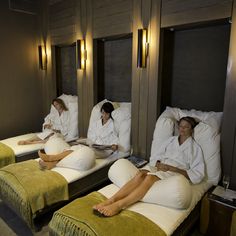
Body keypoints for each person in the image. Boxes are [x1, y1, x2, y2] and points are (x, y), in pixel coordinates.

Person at [93, 116, 205, 217]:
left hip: (175, 173)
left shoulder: (195, 148)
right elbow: (156, 156)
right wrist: (158, 164)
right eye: (181, 126)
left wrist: (172, 168)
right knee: (140, 174)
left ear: (192, 129)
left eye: (186, 127)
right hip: (161, 168)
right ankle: (111, 200)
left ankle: (119, 205)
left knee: (150, 177)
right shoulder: (170, 141)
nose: (182, 129)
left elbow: (197, 174)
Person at [39, 102, 119, 170]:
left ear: (110, 113)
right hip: (93, 144)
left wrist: (113, 147)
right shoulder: (96, 123)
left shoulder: (113, 125)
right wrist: (86, 140)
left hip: (104, 150)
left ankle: (52, 158)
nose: (104, 115)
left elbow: (114, 141)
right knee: (76, 146)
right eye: (103, 112)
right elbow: (91, 135)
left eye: (107, 113)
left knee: (80, 148)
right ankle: (52, 163)